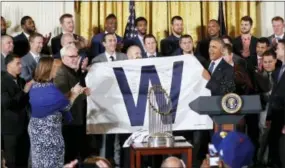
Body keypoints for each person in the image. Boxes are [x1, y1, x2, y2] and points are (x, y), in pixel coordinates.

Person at [28, 57, 84, 168]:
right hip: (48, 132)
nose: (58, 71)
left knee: (39, 162)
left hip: (38, 130)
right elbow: (65, 105)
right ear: (49, 69)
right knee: (51, 163)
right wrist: (74, 93)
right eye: (56, 68)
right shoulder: (50, 89)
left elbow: (59, 101)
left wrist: (72, 92)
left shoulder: (35, 87)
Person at [54, 44, 90, 163]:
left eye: (76, 56)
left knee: (75, 156)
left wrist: (83, 92)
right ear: (63, 58)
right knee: (69, 157)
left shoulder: (72, 71)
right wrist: (78, 93)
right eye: (71, 56)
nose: (75, 58)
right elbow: (62, 97)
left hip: (75, 120)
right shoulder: (61, 73)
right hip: (68, 123)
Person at [1, 54, 32, 168]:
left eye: (21, 63)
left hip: (24, 128)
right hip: (10, 130)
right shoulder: (2, 82)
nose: (21, 66)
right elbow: (6, 104)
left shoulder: (21, 80)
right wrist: (24, 92)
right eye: (17, 63)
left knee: (23, 161)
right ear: (9, 65)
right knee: (12, 163)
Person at [267, 39, 285, 168]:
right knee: (273, 144)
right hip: (276, 115)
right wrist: (269, 115)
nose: (276, 50)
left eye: (278, 48)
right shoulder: (279, 70)